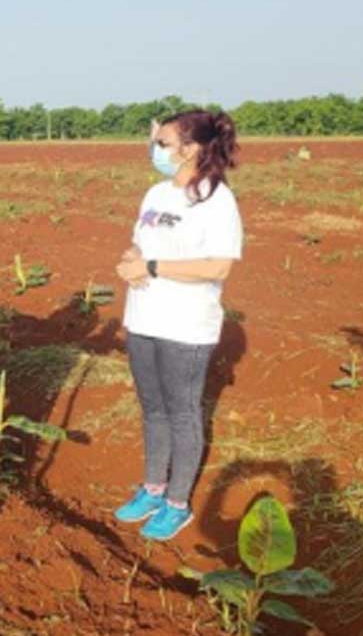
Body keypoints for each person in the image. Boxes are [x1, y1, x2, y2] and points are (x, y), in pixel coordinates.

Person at [113, 110, 243, 541]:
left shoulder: (214, 199)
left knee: (182, 412)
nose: (156, 150)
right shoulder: (155, 194)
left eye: (164, 143)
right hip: (143, 317)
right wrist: (134, 258)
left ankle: (177, 503)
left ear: (191, 149)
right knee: (153, 409)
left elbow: (218, 265)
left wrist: (152, 265)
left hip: (186, 326)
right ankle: (152, 487)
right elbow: (142, 239)